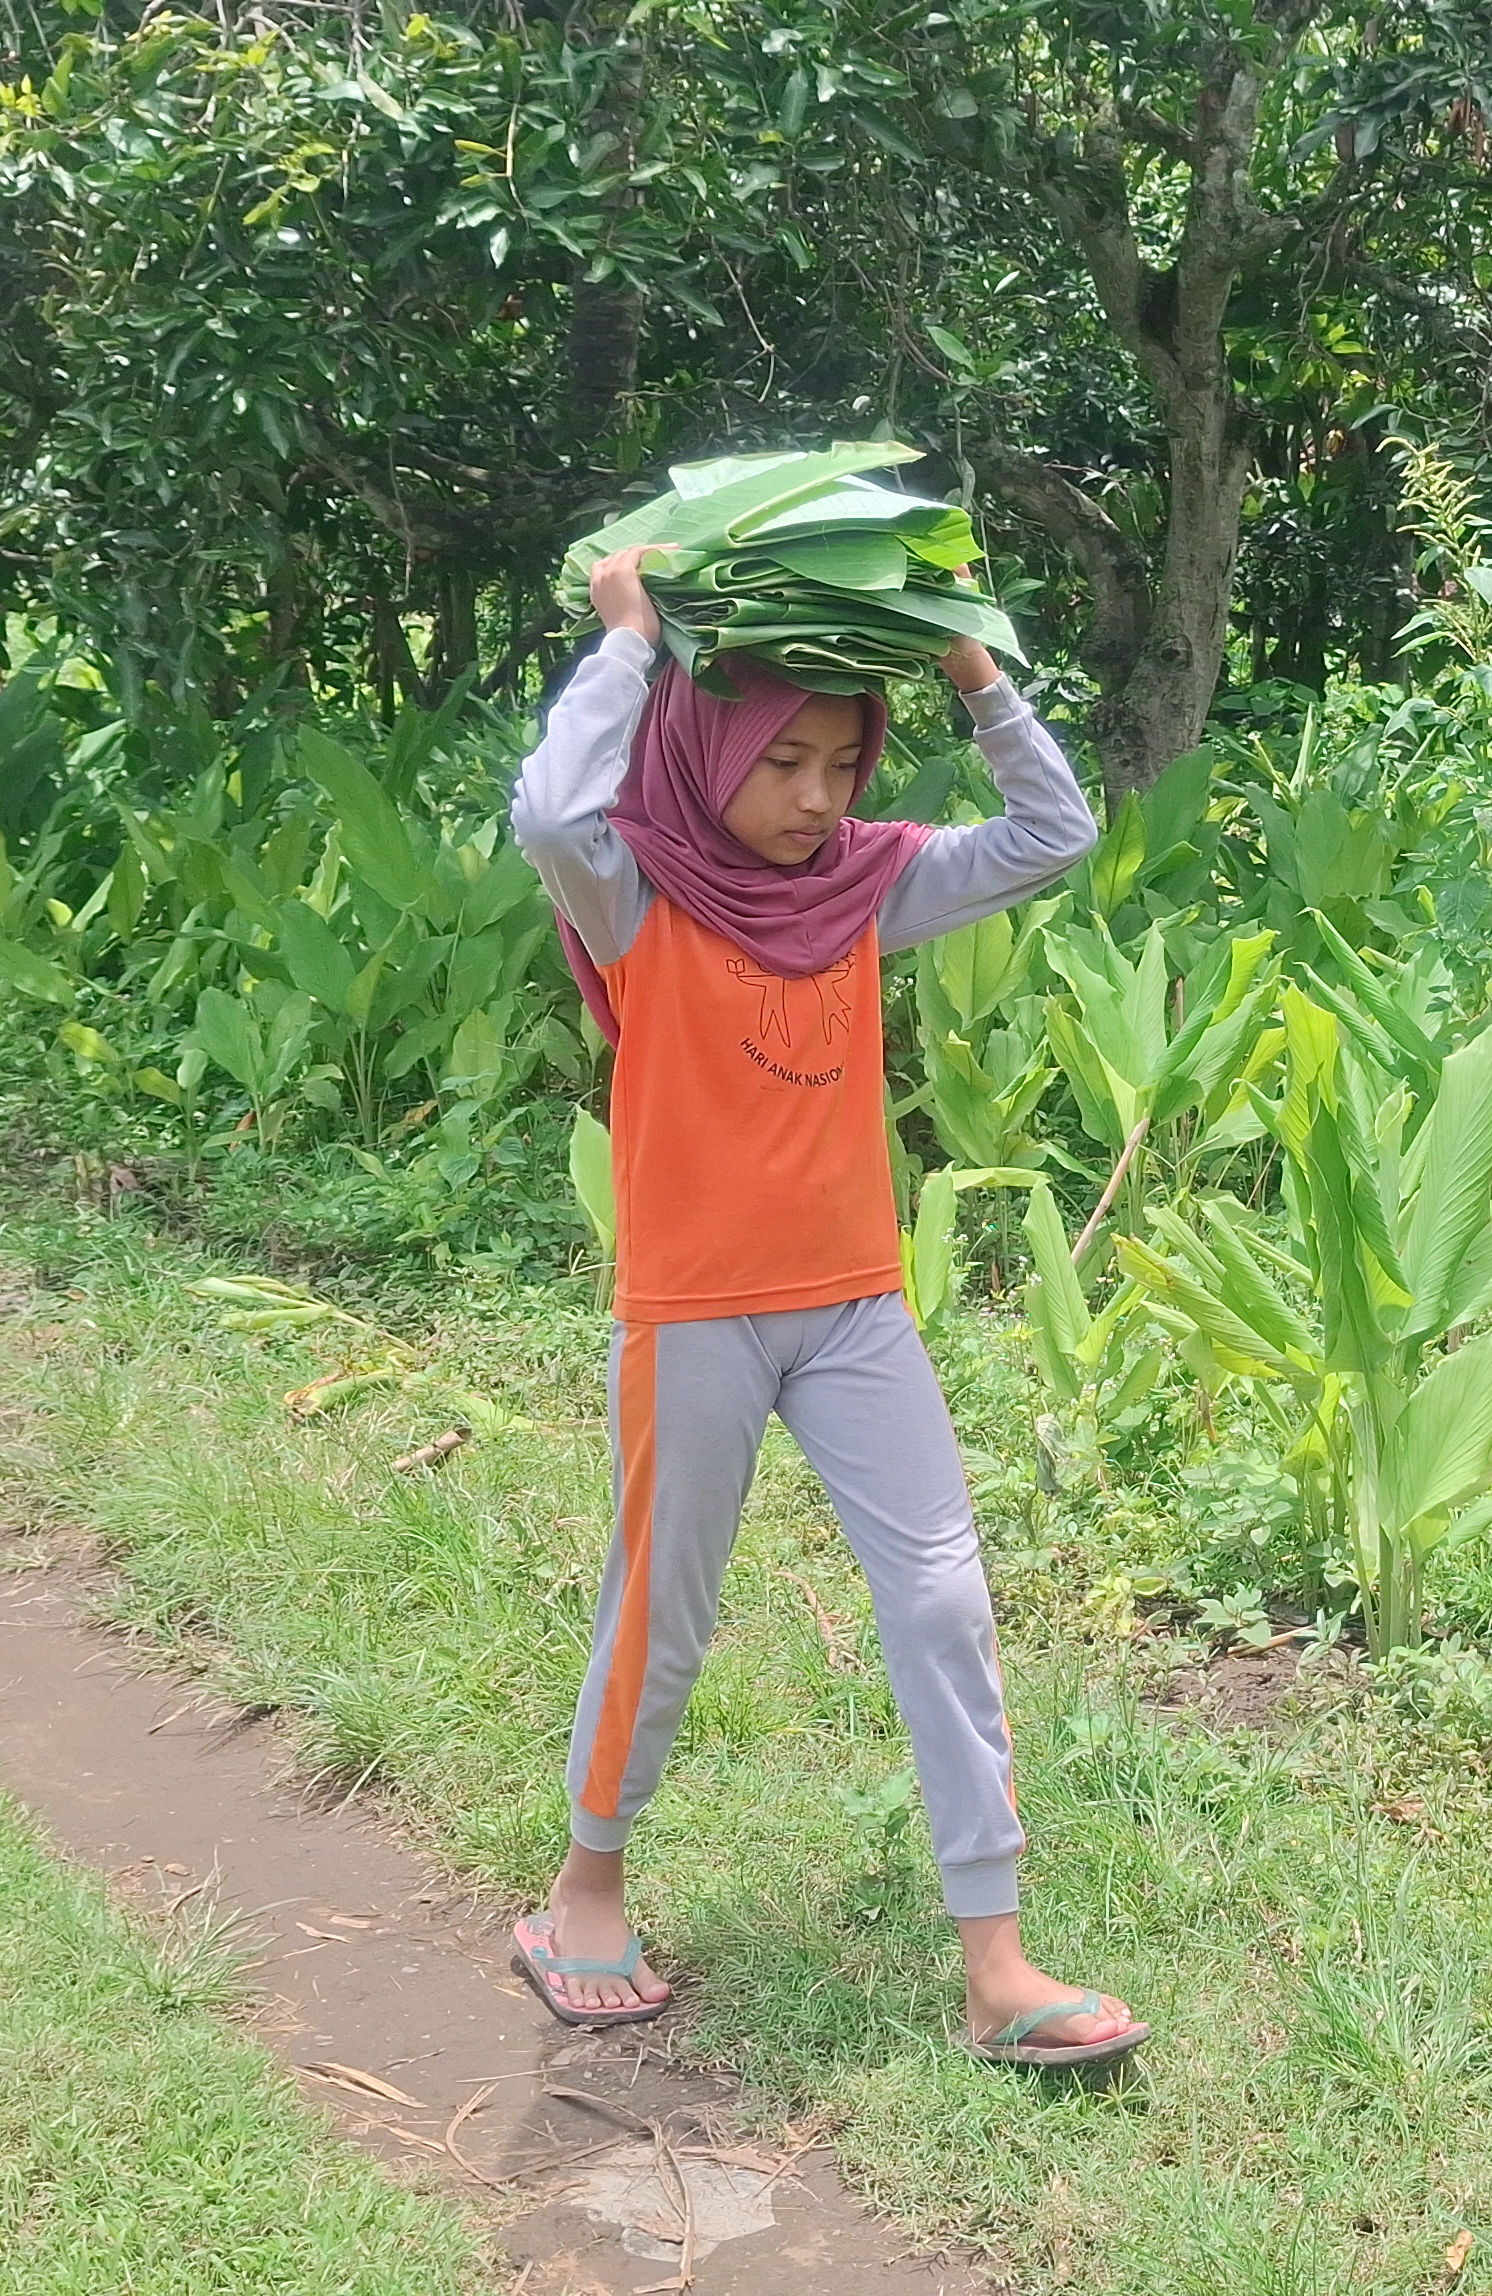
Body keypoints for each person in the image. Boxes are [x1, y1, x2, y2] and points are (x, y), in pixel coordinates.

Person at [500, 543, 1145, 2070]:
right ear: (707, 744)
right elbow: (549, 813)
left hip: (856, 1308)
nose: (814, 797)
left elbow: (1053, 830)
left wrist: (970, 663)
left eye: (843, 763)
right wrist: (630, 642)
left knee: (943, 1601)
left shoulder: (864, 885)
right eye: (782, 761)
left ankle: (996, 1961)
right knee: (662, 1613)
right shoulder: (632, 893)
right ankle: (584, 1892)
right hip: (694, 1316)